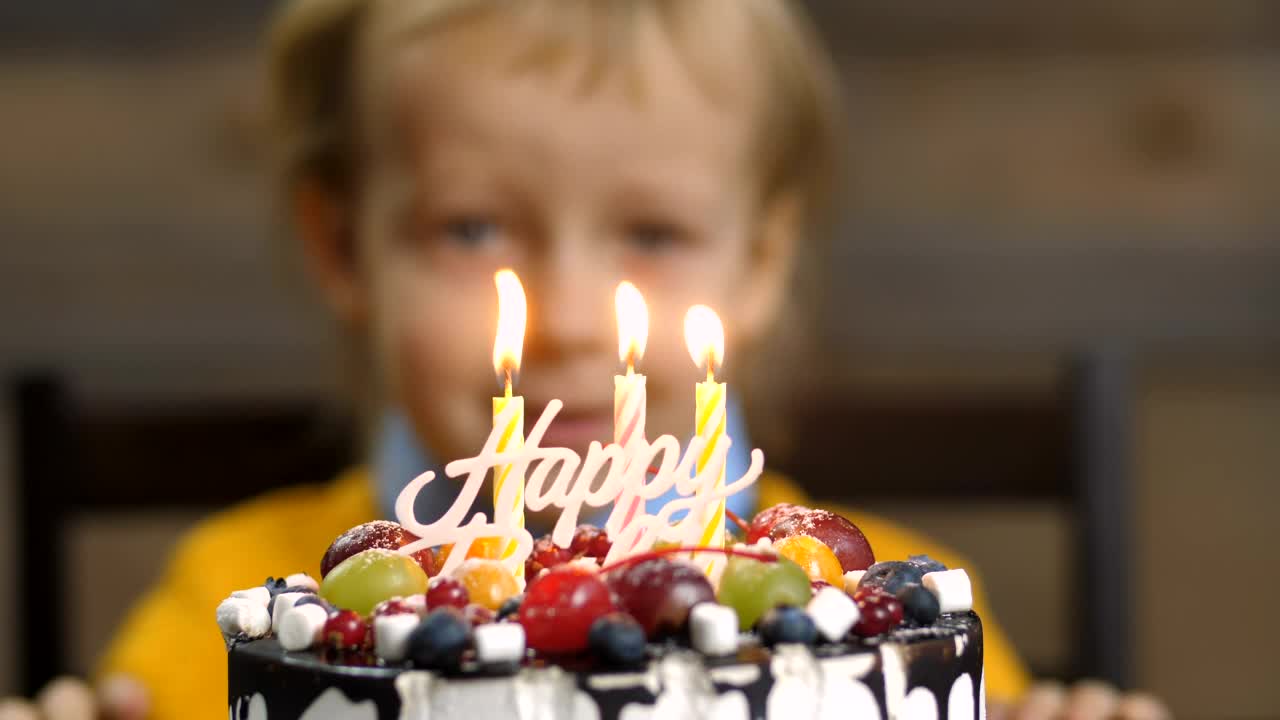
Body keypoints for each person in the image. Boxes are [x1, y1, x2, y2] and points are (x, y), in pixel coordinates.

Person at [0, 1, 1169, 719]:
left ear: (759, 263)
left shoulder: (878, 614)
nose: (563, 316)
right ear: (340, 245)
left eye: (652, 233)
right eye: (471, 229)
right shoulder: (242, 607)